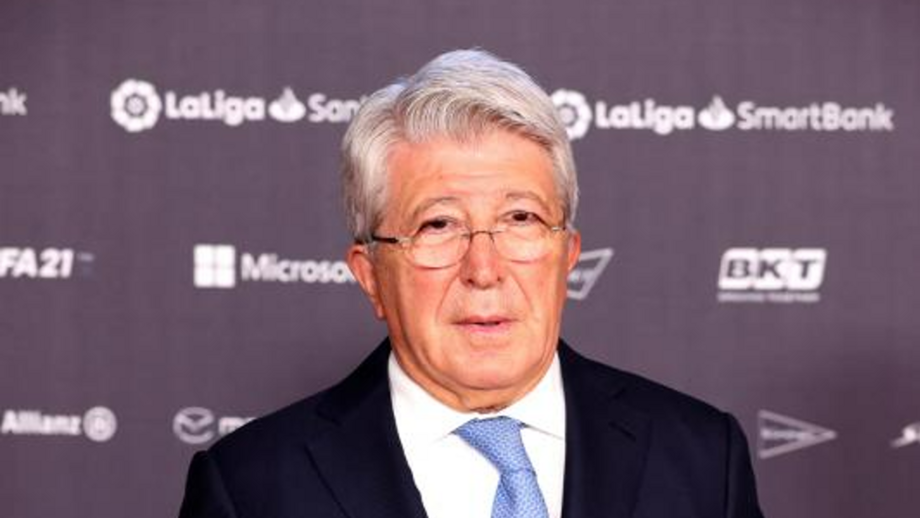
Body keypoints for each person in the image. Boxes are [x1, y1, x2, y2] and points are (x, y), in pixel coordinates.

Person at [178, 49, 764, 518]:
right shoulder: (252, 488)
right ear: (370, 275)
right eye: (438, 225)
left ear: (567, 257)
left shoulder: (702, 459)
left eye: (521, 219)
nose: (484, 269)